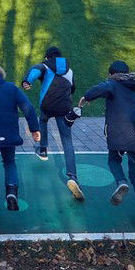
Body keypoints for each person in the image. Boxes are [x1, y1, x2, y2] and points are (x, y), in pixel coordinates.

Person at [79, 60, 135, 225]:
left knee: (113, 160)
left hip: (119, 132)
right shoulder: (133, 88)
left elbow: (100, 88)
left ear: (111, 74)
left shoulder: (112, 84)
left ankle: (121, 182)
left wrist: (86, 97)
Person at [0, 59, 40, 224]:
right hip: (9, 135)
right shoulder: (11, 87)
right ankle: (11, 190)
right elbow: (28, 107)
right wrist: (35, 129)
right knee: (9, 162)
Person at [21, 46, 84, 201]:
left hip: (47, 106)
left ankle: (43, 149)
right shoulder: (69, 70)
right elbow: (73, 88)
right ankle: (73, 177)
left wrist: (27, 81)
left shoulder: (45, 65)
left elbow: (35, 70)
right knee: (67, 141)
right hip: (64, 107)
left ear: (47, 57)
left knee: (43, 119)